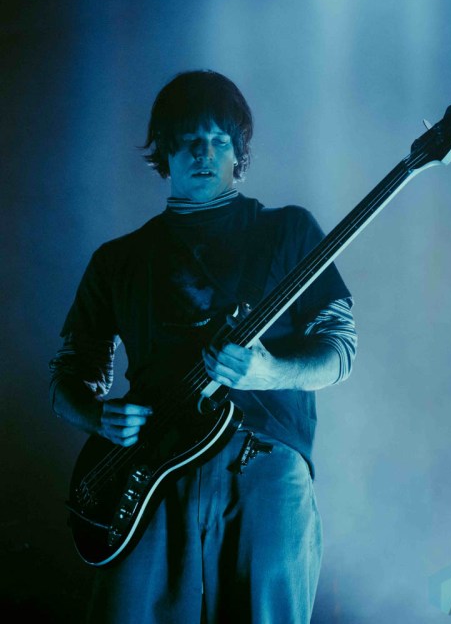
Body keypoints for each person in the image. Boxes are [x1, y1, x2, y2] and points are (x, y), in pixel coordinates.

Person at [49, 70, 358, 624]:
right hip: (149, 470)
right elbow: (69, 377)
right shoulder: (118, 260)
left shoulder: (287, 231)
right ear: (164, 151)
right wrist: (98, 417)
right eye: (189, 138)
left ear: (239, 153)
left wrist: (270, 372)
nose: (204, 152)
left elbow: (341, 350)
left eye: (219, 140)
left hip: (262, 461)